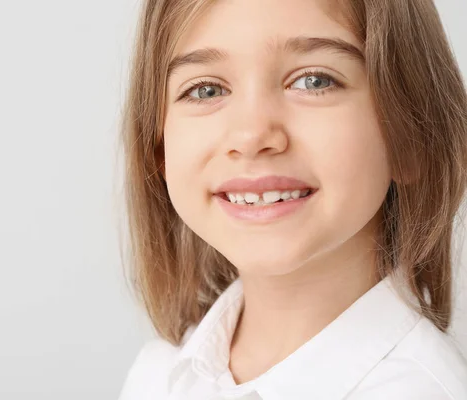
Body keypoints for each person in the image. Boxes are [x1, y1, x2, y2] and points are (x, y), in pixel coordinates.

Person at [117, 0, 467, 398]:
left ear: (412, 137)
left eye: (314, 81)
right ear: (159, 150)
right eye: (206, 89)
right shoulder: (156, 378)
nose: (251, 136)